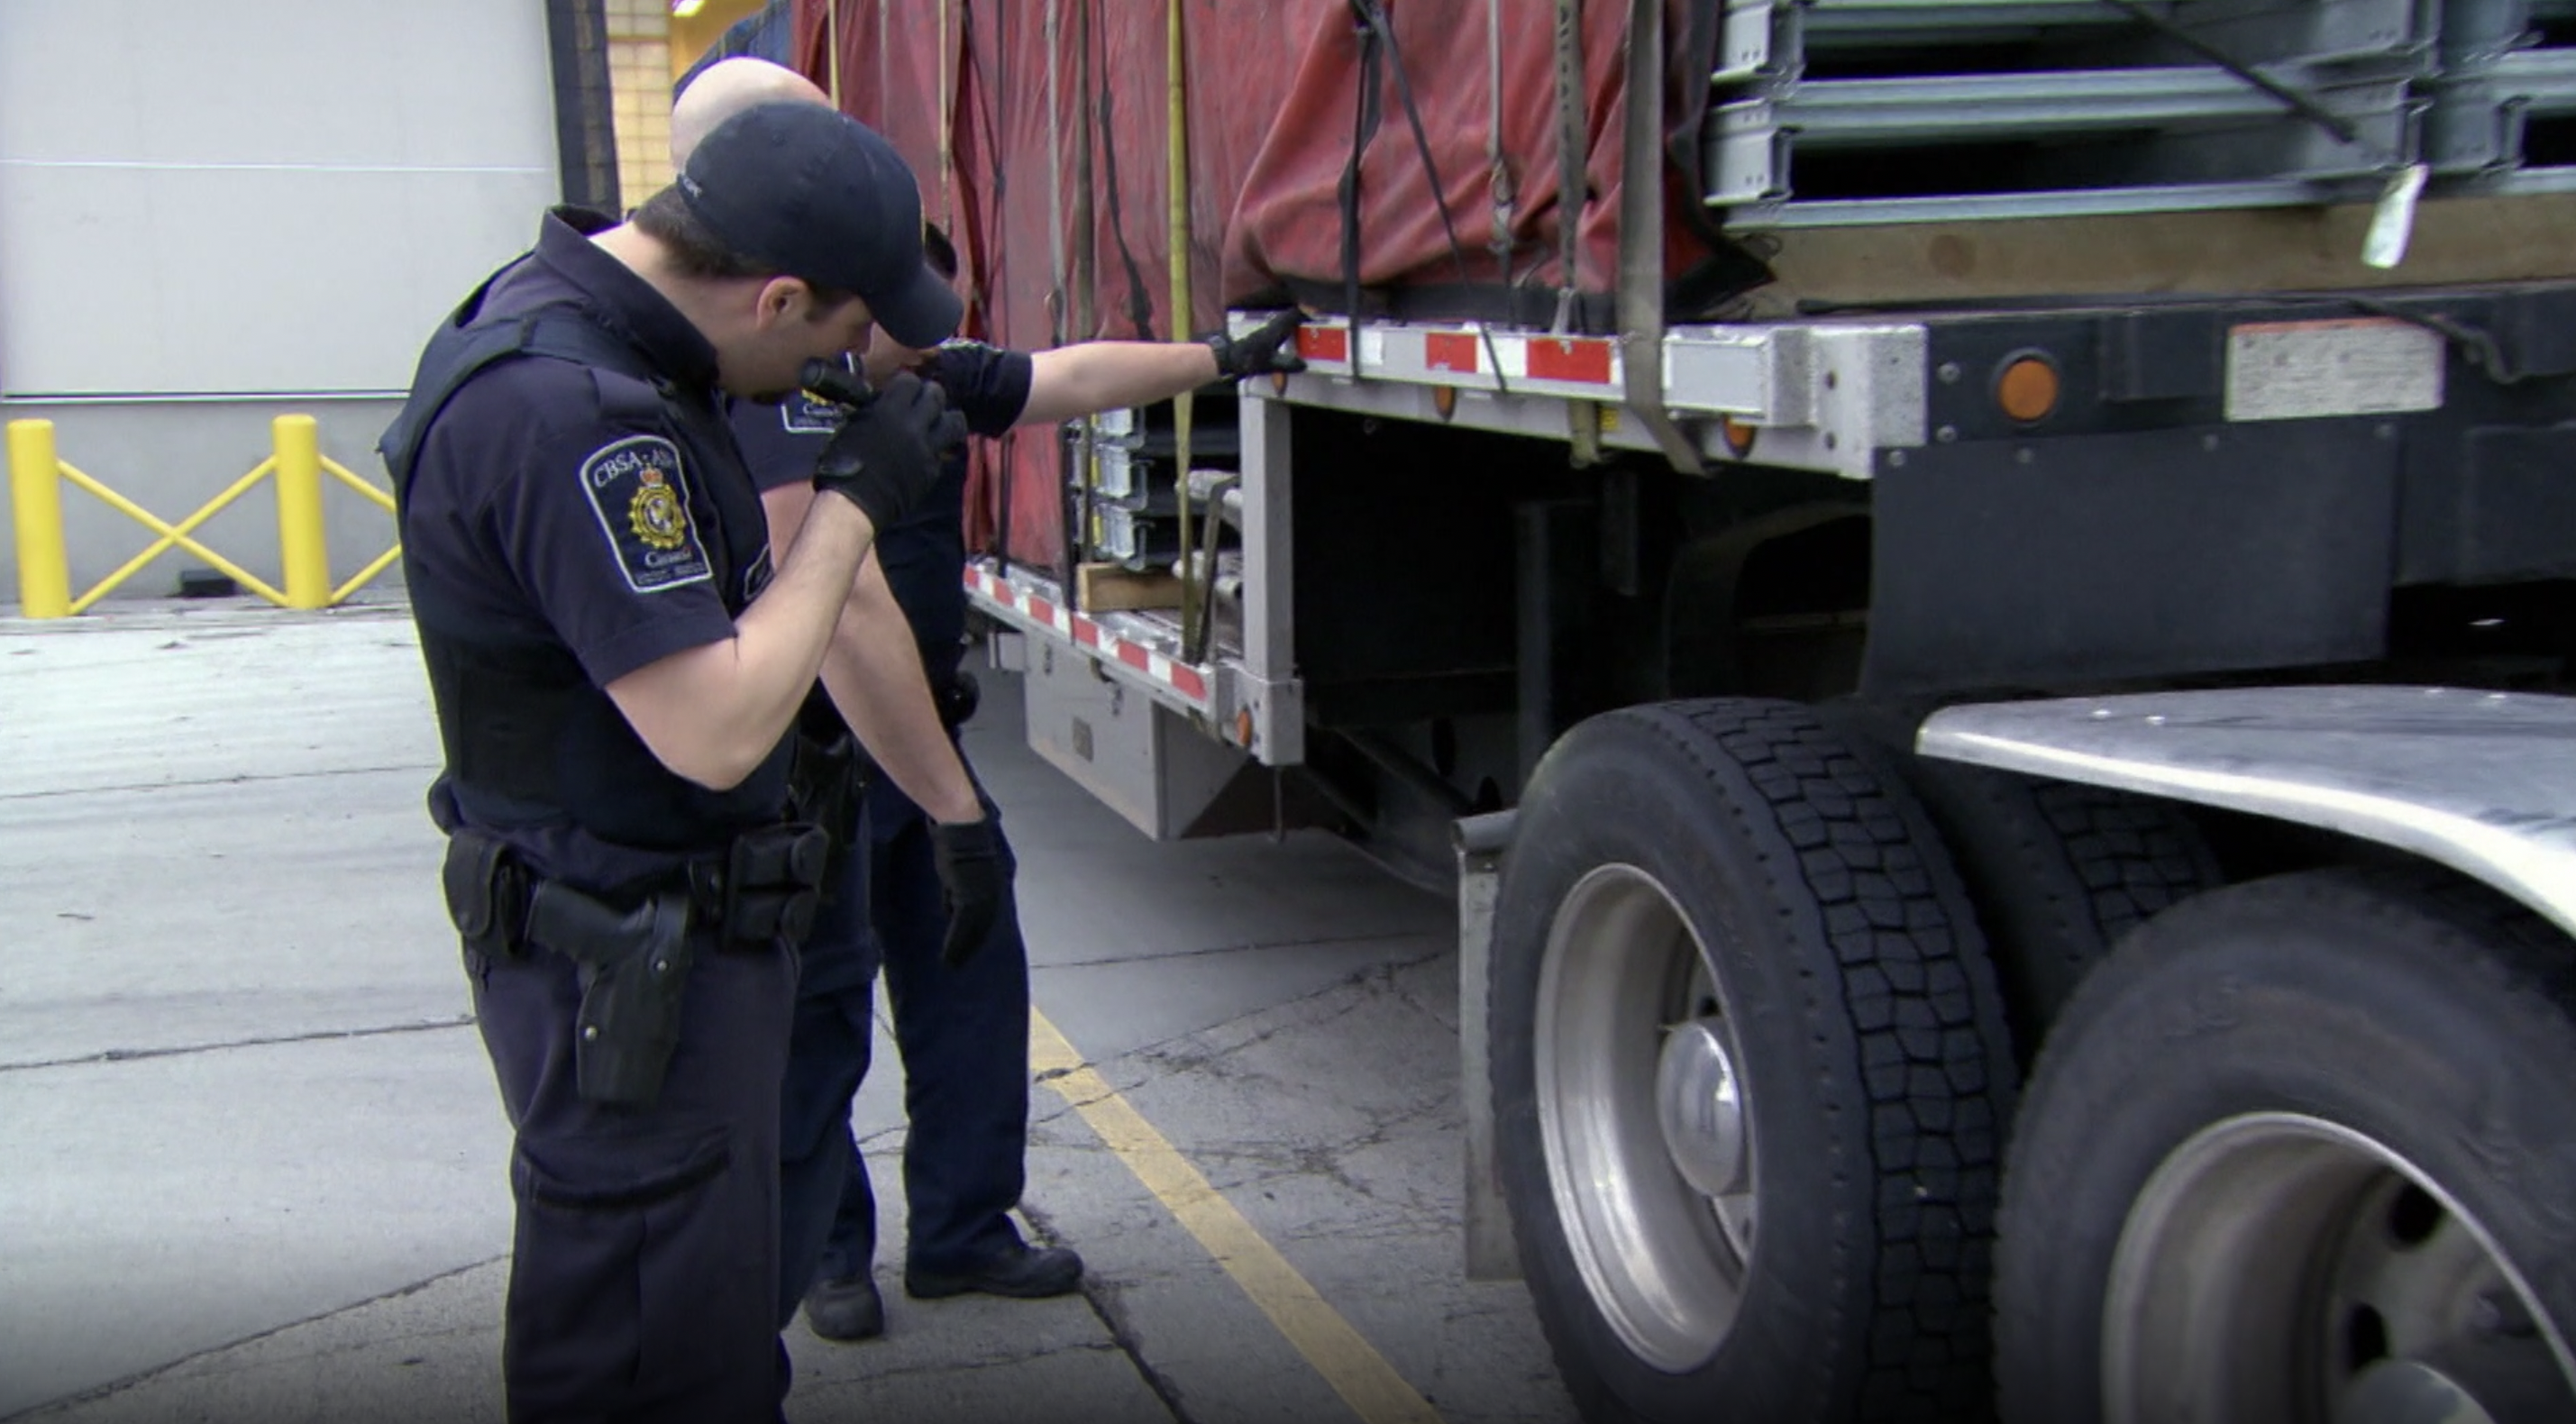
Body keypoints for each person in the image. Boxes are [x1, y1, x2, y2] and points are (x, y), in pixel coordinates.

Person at [379, 98, 1010, 1421]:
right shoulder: (576, 414)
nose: (854, 361)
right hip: (626, 967)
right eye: (845, 329)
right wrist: (851, 507)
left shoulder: (570, 318)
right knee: (645, 1353)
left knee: (693, 1333)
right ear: (777, 294)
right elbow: (716, 729)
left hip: (638, 946)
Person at [670, 57, 1306, 1346]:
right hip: (808, 768)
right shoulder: (747, 381)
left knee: (966, 983)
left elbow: (1053, 378)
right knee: (817, 1008)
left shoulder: (890, 380)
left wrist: (1217, 357)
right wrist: (954, 805)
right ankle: (827, 1255)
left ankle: (962, 1229)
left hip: (914, 740)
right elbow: (832, 607)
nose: (901, 333)